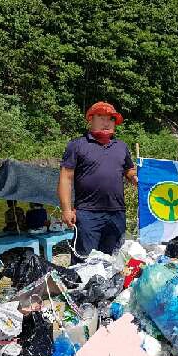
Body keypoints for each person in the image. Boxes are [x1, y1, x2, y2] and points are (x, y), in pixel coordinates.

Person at [58, 102, 137, 263]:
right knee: (84, 262)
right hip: (87, 214)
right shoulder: (77, 145)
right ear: (90, 119)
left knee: (114, 261)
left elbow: (129, 171)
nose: (106, 122)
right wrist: (66, 210)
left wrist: (136, 177)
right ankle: (81, 288)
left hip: (117, 213)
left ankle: (108, 289)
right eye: (101, 117)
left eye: (110, 119)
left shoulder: (121, 147)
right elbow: (65, 178)